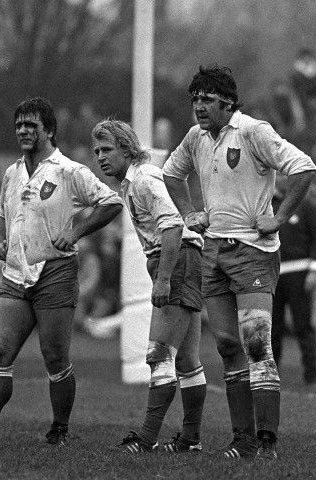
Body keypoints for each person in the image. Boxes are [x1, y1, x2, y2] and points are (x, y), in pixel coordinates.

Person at [162, 65, 316, 460]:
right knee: (228, 345)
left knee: (255, 344)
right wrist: (189, 213)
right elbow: (171, 173)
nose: (198, 106)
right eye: (195, 98)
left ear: (227, 102)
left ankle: (266, 441)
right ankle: (243, 441)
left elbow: (303, 167)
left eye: (207, 99)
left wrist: (279, 218)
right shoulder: (196, 137)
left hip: (253, 252)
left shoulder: (253, 131)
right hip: (213, 251)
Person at [0, 97, 123, 449]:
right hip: (16, 274)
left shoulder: (69, 171)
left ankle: (59, 429)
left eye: (31, 125)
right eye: (19, 125)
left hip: (56, 272)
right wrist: (1, 241)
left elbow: (111, 202)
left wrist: (74, 233)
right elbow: (0, 212)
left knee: (55, 356)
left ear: (49, 131)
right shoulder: (12, 173)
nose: (23, 131)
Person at [91, 120, 207, 453]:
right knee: (186, 360)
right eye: (97, 150)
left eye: (107, 150)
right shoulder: (130, 183)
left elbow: (172, 228)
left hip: (177, 258)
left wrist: (165, 278)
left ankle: (146, 438)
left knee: (159, 354)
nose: (100, 157)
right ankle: (191, 439)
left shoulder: (143, 179)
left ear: (127, 149)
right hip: (183, 258)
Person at [271, 173, 316, 384]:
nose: (281, 179)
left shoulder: (306, 205)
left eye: (284, 175)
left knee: (303, 325)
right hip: (273, 274)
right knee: (273, 328)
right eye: (277, 176)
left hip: (299, 273)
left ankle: (310, 374)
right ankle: (271, 375)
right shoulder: (267, 205)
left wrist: (314, 270)